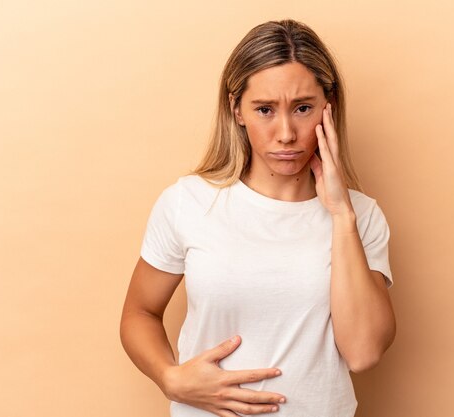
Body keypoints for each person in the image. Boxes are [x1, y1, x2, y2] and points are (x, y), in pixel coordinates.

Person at [120, 19, 396, 417]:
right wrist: (168, 376)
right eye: (265, 109)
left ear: (328, 107)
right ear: (237, 109)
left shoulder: (360, 216)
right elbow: (139, 312)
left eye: (303, 108)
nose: (286, 133)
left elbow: (364, 352)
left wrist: (340, 214)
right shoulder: (189, 202)